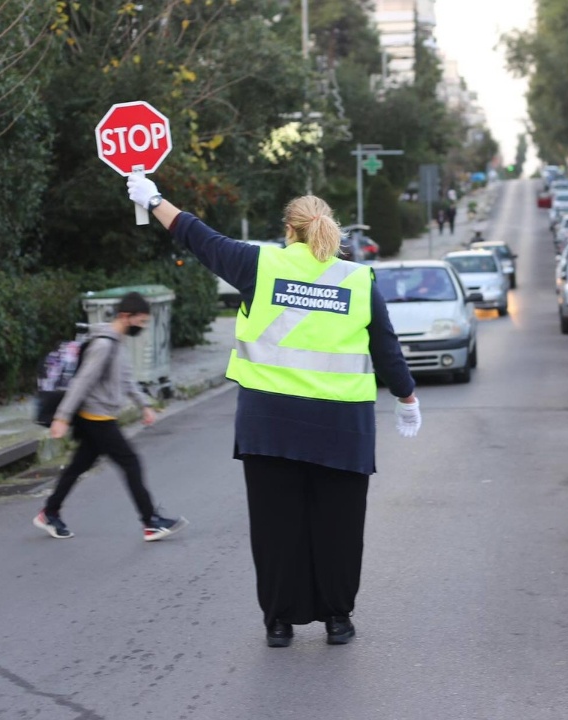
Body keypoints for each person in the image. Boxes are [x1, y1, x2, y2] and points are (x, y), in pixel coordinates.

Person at [125, 175, 420, 648]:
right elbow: (385, 348)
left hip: (270, 427)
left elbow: (199, 238)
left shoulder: (260, 264)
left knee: (276, 528)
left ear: (289, 230)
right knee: (338, 528)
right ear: (330, 229)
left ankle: (279, 623)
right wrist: (407, 399)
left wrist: (153, 199)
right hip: (342, 429)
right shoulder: (357, 278)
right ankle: (337, 619)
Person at [34, 292, 187, 542]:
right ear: (126, 316)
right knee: (131, 462)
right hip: (96, 418)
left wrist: (145, 405)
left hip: (100, 417)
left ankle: (49, 512)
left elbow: (126, 380)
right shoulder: (104, 345)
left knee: (78, 466)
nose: (142, 326)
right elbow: (83, 381)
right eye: (140, 320)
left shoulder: (117, 343)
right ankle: (150, 522)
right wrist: (61, 417)